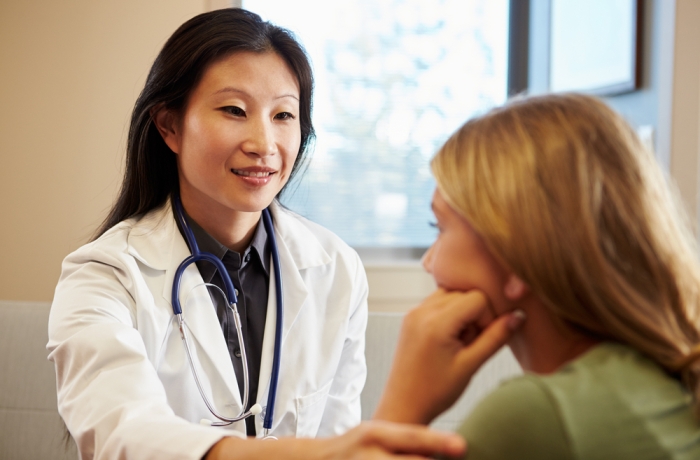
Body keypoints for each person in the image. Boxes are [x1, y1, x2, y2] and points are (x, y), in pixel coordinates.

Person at [47, 8, 467, 460]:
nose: (264, 144)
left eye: (284, 115)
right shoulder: (105, 275)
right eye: (234, 110)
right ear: (170, 125)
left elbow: (336, 434)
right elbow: (120, 431)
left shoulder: (335, 268)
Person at [374, 93, 700, 458]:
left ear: (514, 256)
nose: (429, 262)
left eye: (441, 228)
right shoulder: (664, 379)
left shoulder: (534, 417)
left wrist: (400, 408)